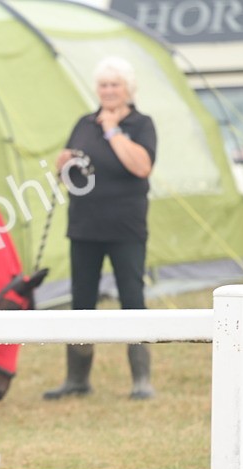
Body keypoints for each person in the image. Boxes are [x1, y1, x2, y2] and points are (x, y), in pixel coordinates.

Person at [45, 56, 158, 401]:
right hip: (84, 226)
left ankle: (141, 379)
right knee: (82, 302)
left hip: (125, 227)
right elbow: (65, 175)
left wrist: (113, 130)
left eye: (115, 85)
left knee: (132, 299)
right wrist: (62, 164)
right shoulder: (84, 122)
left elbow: (141, 167)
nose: (108, 91)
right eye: (104, 85)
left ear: (128, 89)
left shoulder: (141, 124)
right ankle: (77, 378)